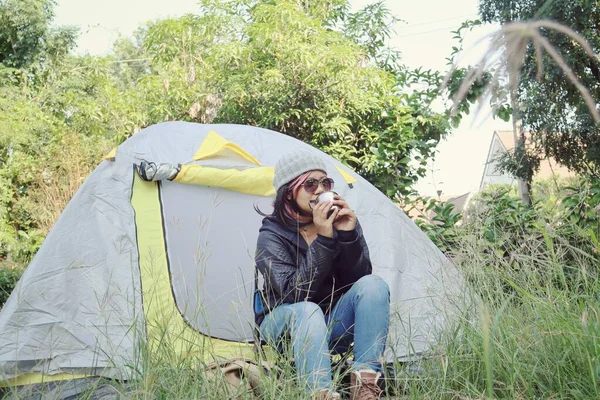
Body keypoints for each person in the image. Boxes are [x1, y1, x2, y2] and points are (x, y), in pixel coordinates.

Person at [254, 150, 390, 400]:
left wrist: (348, 235)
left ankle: (365, 386)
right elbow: (293, 294)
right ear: (289, 191)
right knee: (307, 310)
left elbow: (357, 283)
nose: (319, 190)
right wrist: (324, 239)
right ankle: (320, 394)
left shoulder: (338, 221)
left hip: (331, 322)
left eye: (325, 183)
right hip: (285, 325)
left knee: (373, 285)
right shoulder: (271, 235)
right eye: (310, 184)